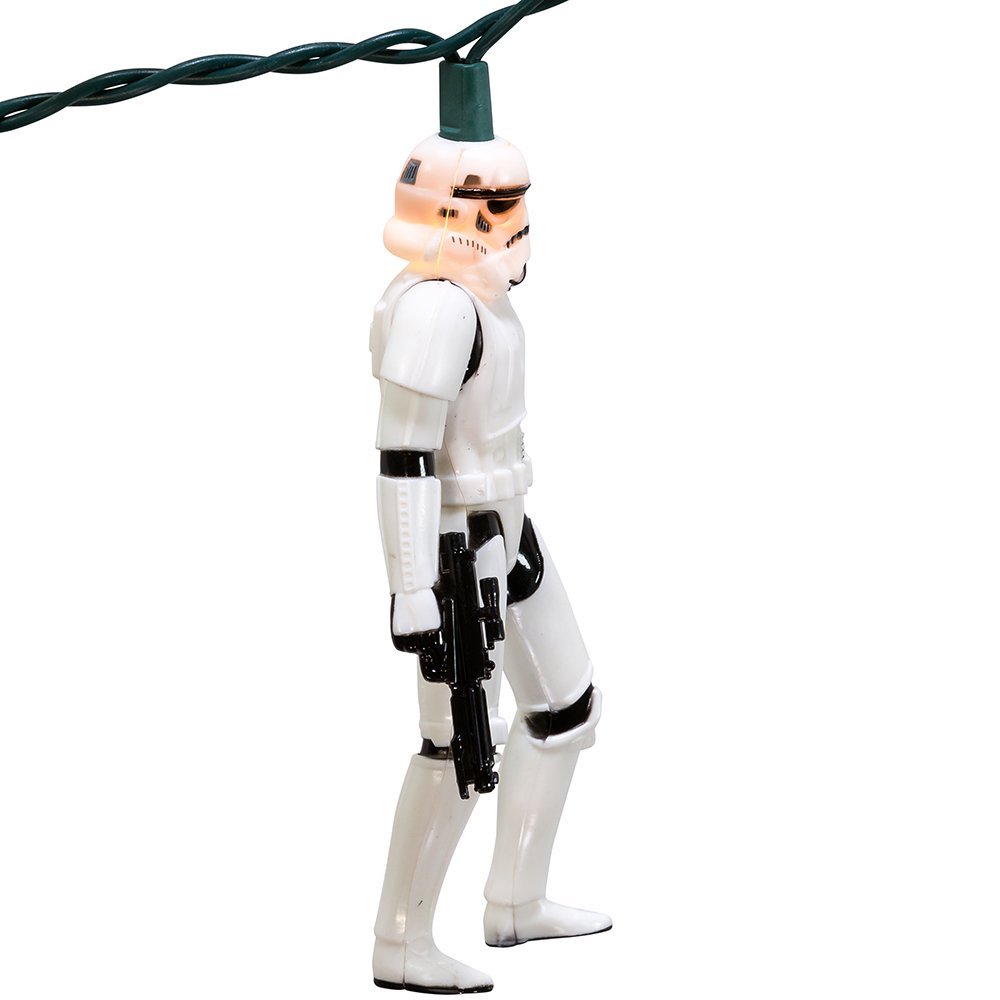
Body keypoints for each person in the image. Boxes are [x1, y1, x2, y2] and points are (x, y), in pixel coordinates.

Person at [369, 63, 609, 995]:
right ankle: (401, 940)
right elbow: (403, 457)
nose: (517, 219)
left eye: (517, 199)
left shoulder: (484, 299)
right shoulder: (434, 306)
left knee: (565, 707)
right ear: (452, 210)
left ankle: (516, 900)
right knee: (457, 746)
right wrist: (412, 586)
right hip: (455, 546)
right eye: (498, 203)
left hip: (509, 523)